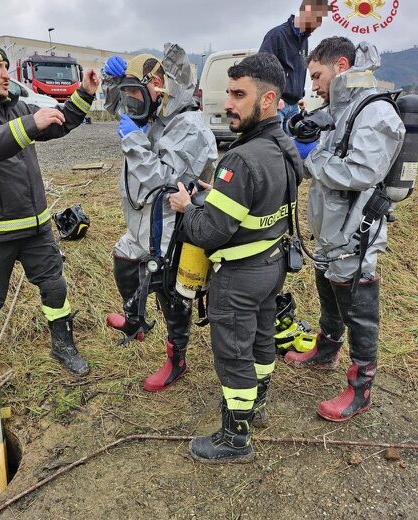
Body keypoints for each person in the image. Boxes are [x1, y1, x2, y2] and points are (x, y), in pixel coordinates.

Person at [170, 52, 303, 463]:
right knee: (262, 339)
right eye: (229, 92)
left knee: (232, 353)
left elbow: (209, 232)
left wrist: (187, 207)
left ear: (266, 101)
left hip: (240, 276)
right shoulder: (282, 146)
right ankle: (257, 405)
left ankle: (235, 438)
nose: (228, 102)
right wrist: (222, 193)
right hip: (272, 265)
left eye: (238, 94)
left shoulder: (241, 159)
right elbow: (260, 201)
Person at [0, 38, 100, 381]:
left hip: (37, 228)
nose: (5, 74)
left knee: (55, 288)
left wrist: (85, 93)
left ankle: (63, 346)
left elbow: (58, 122)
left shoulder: (13, 107)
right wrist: (32, 124)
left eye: (4, 66)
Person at [285, 37, 405, 422]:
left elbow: (361, 172)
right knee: (327, 285)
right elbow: (325, 162)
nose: (313, 85)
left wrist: (312, 157)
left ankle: (361, 387)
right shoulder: (338, 109)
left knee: (357, 306)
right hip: (330, 228)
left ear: (340, 66)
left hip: (358, 229)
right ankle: (326, 349)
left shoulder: (375, 112)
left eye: (316, 75)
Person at [101, 44, 217, 392]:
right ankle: (136, 321)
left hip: (173, 227)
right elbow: (120, 109)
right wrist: (113, 83)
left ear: (167, 87)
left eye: (145, 89)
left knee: (171, 294)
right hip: (144, 221)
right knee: (124, 258)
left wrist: (134, 142)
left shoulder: (190, 128)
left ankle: (175, 359)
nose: (139, 100)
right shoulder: (162, 118)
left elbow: (165, 180)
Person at [259, 0, 330, 132]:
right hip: (278, 105)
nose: (319, 24)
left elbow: (300, 70)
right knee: (275, 146)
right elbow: (261, 69)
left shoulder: (304, 40)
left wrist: (300, 95)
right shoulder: (277, 35)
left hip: (294, 106)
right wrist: (275, 97)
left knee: (291, 148)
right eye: (318, 18)